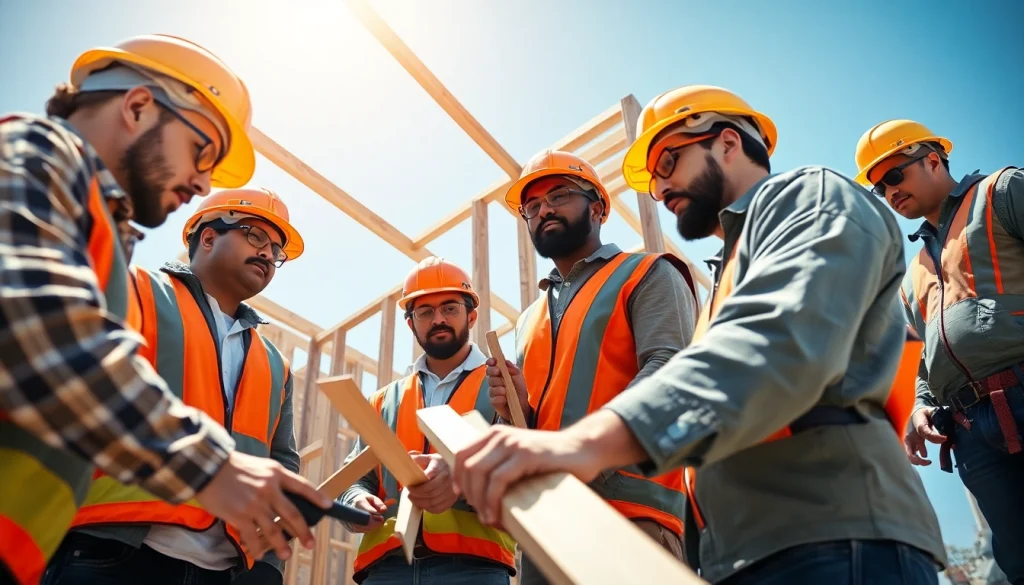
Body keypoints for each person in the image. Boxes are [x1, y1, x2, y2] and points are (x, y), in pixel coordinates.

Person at [449, 85, 947, 585]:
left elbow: (769, 349)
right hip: (747, 549)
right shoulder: (728, 276)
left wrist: (581, 445)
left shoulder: (810, 198)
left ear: (728, 142)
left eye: (668, 162)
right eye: (653, 179)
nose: (661, 187)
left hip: (837, 536)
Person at [0, 34, 327, 585]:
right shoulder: (34, 151)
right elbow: (38, 329)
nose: (201, 183)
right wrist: (209, 466)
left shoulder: (104, 241)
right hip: (112, 552)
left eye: (276, 251)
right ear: (137, 106)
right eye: (202, 152)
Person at [43, 188, 307, 585]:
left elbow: (281, 466)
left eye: (276, 250)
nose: (268, 254)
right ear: (208, 237)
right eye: (255, 235)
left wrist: (269, 562)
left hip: (222, 571)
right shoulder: (136, 290)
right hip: (113, 549)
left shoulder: (275, 364)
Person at [485, 148, 699, 583]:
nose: (544, 210)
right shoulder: (529, 319)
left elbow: (669, 372)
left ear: (599, 208)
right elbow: (538, 427)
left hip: (630, 515)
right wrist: (517, 410)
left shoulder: (646, 273)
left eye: (559, 195)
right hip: (545, 526)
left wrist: (589, 454)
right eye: (532, 206)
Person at [855, 119, 1024, 583]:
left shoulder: (1001, 192)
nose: (889, 192)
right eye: (879, 187)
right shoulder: (914, 273)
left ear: (932, 160)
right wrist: (919, 407)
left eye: (894, 175)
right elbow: (921, 359)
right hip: (971, 431)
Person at [337, 257, 517, 585]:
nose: (438, 319)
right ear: (411, 324)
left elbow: (523, 471)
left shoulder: (502, 386)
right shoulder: (384, 401)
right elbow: (354, 479)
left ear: (471, 316)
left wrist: (461, 481)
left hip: (474, 568)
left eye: (450, 308)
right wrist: (355, 503)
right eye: (425, 312)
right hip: (386, 570)